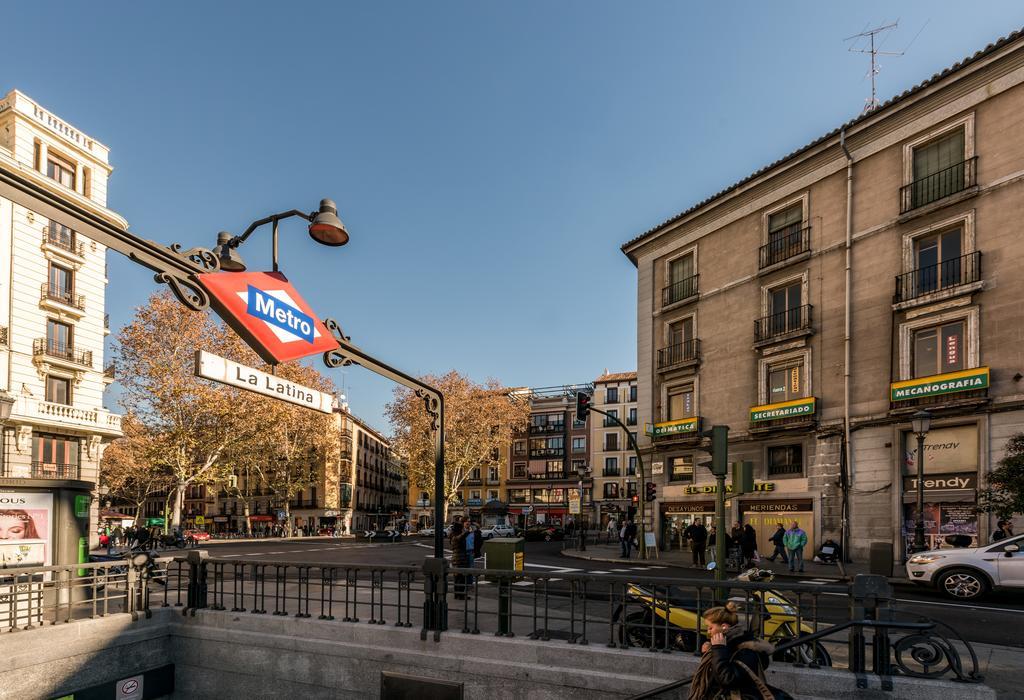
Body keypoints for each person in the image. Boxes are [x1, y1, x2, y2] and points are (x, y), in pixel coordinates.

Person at [687, 601, 778, 700]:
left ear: (724, 627)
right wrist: (710, 652)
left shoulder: (745, 650)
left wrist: (718, 650)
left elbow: (727, 680)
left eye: (710, 628)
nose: (708, 632)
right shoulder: (726, 645)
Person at [449, 520, 471, 600]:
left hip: (456, 559)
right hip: (460, 559)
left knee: (457, 578)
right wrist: (466, 531)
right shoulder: (455, 537)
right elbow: (461, 537)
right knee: (461, 578)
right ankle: (460, 595)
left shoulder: (453, 535)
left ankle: (457, 594)